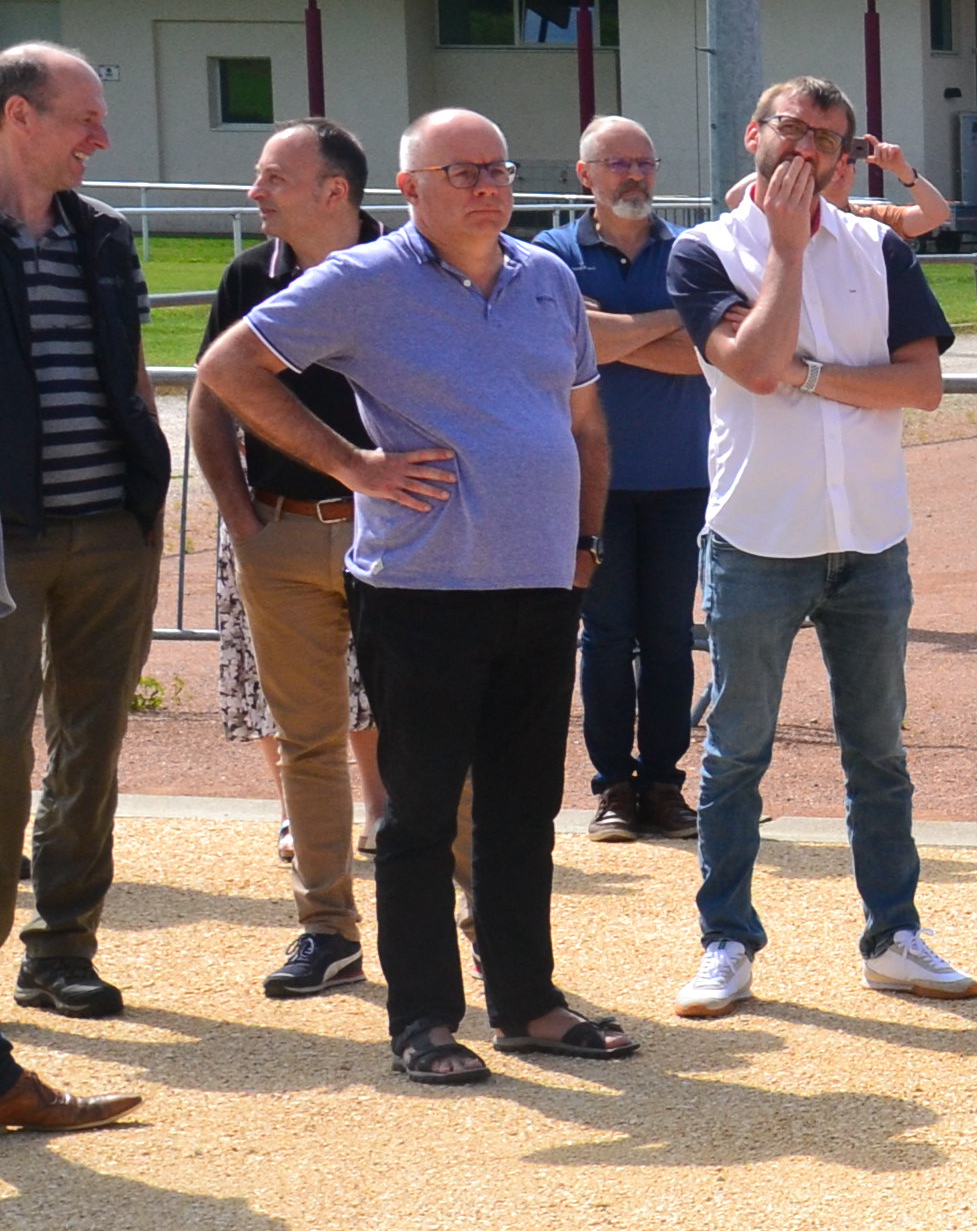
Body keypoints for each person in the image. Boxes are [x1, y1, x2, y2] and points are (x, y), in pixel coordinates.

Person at [200, 109, 637, 1084]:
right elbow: (229, 371)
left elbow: (586, 424)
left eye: (500, 168)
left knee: (524, 810)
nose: (489, 185)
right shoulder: (364, 281)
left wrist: (583, 542)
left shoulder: (549, 279)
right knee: (418, 815)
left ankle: (529, 1004)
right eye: (464, 170)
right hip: (424, 589)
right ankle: (425, 1023)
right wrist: (353, 464)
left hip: (537, 584)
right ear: (410, 188)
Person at [664, 78, 977, 1018]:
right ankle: (726, 941)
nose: (808, 152)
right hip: (759, 534)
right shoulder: (705, 252)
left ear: (848, 158)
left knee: (877, 750)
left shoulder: (881, 247)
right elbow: (750, 364)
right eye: (793, 132)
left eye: (828, 142)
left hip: (870, 536)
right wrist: (789, 257)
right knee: (736, 753)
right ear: (755, 134)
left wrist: (806, 375)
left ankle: (894, 935)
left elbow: (921, 386)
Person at [192, 118, 387, 999]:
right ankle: (326, 932)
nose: (254, 192)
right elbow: (208, 397)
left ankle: (476, 916)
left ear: (332, 191)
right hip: (284, 536)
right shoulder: (246, 276)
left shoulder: (415, 269)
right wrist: (243, 518)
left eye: (272, 177)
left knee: (431, 734)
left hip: (398, 536)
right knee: (305, 741)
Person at [0, 46, 168, 1023]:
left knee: (90, 746)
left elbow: (136, 374)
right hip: (8, 539)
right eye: (83, 120)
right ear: (20, 116)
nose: (100, 140)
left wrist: (147, 498)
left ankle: (61, 950)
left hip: (111, 531)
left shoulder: (103, 236)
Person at [532, 116, 712, 845]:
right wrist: (667, 325)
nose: (633, 175)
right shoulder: (549, 254)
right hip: (588, 480)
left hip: (682, 477)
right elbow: (564, 340)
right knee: (604, 639)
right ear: (586, 175)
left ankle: (664, 786)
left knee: (669, 638)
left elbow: (708, 354)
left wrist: (611, 334)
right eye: (617, 163)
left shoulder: (695, 253)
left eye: (644, 162)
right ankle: (612, 787)